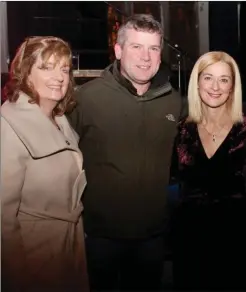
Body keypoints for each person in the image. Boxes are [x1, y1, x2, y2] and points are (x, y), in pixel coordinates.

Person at [68, 14, 184, 291]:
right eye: (136, 47)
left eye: (154, 48)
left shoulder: (174, 102)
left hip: (153, 237)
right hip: (98, 236)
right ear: (118, 51)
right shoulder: (85, 98)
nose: (146, 57)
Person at [169, 51, 246, 290]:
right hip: (188, 247)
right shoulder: (182, 131)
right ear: (197, 82)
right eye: (208, 78)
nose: (215, 87)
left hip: (234, 248)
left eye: (224, 79)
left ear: (233, 86)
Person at [1, 36, 89, 291]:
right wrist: (17, 276)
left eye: (64, 69)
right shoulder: (8, 125)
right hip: (34, 257)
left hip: (67, 249)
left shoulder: (59, 119)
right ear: (25, 72)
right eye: (46, 67)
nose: (59, 76)